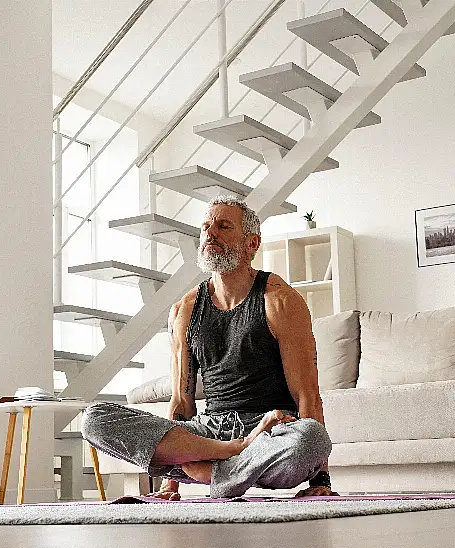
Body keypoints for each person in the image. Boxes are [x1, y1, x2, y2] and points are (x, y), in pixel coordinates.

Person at [81, 196, 334, 499]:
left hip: (269, 433)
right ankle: (232, 457)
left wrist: (321, 482)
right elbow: (181, 403)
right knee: (94, 419)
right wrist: (168, 486)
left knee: (313, 438)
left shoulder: (279, 301)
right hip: (207, 435)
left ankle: (217, 471)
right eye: (206, 227)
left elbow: (306, 395)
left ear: (252, 244)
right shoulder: (185, 309)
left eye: (224, 226)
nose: (210, 233)